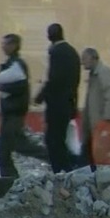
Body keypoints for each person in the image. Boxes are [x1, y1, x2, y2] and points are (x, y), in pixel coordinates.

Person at [0, 34, 49, 177]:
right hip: (10, 114)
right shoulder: (11, 64)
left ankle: (10, 181)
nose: (3, 47)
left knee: (4, 151)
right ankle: (57, 158)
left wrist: (2, 86)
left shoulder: (18, 65)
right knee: (22, 147)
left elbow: (20, 87)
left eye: (6, 44)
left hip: (14, 114)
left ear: (14, 45)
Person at [34, 24, 81, 173]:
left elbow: (54, 79)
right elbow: (75, 82)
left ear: (49, 36)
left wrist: (40, 96)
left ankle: (60, 171)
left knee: (52, 140)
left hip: (56, 104)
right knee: (60, 139)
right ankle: (67, 168)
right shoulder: (72, 52)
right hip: (68, 103)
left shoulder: (56, 52)